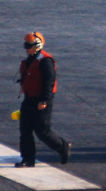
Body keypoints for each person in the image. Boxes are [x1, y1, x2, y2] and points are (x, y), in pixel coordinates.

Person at [16, 32, 71, 167]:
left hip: (41, 101)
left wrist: (44, 100)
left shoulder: (45, 61)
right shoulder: (31, 59)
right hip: (29, 98)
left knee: (42, 132)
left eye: (29, 46)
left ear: (37, 46)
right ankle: (28, 159)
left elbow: (49, 82)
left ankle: (63, 147)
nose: (26, 48)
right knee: (25, 130)